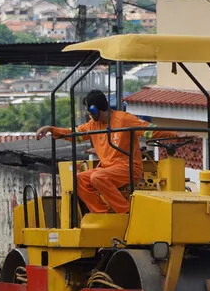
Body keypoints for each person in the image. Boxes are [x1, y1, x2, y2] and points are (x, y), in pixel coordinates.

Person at [36, 89, 179, 214]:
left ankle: (126, 211)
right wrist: (51, 129)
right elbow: (73, 134)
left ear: (94, 110)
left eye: (89, 111)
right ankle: (101, 213)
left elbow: (150, 131)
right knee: (79, 179)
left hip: (128, 168)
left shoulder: (124, 119)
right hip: (107, 169)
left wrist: (175, 135)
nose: (89, 115)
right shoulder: (93, 125)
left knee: (97, 177)